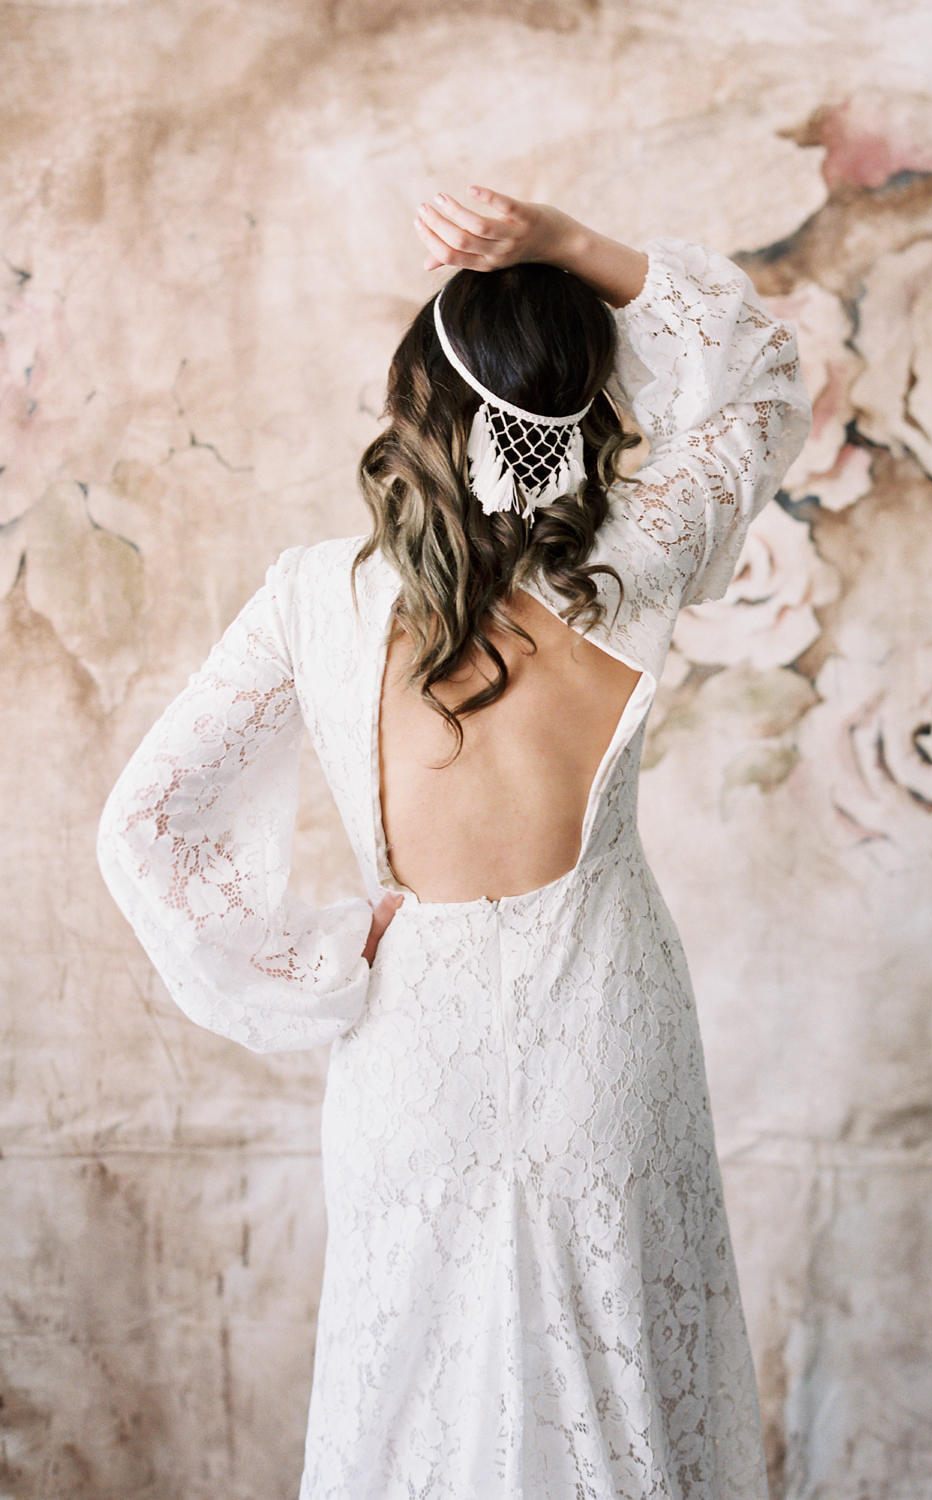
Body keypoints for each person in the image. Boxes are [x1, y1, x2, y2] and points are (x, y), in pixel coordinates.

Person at [96, 184, 812, 1498]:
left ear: (416, 405)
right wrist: (568, 243)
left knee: (415, 1400)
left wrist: (319, 959)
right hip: (610, 1028)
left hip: (411, 1049)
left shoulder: (315, 598)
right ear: (585, 410)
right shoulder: (634, 566)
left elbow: (144, 820)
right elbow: (762, 372)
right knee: (622, 1392)